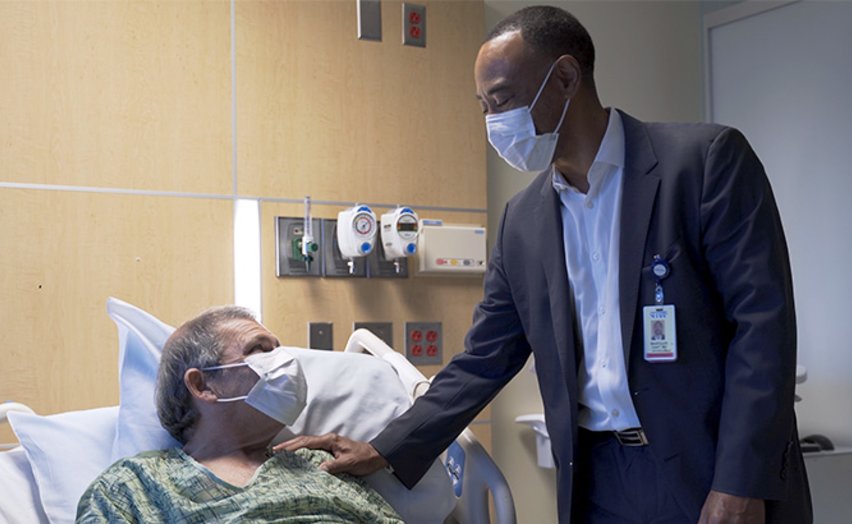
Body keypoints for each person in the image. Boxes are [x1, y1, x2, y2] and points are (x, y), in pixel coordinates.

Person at [280, 6, 812, 524]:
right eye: (483, 106)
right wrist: (385, 447)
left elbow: (762, 328)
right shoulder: (525, 222)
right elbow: (485, 358)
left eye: (503, 99)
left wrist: (740, 483)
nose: (493, 122)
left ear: (563, 78)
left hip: (710, 470)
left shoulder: (701, 165)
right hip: (599, 480)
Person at [76, 306, 402, 523]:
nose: (285, 362)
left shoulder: (320, 466)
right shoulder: (134, 486)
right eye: (260, 350)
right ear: (203, 385)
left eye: (278, 349)